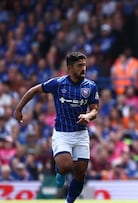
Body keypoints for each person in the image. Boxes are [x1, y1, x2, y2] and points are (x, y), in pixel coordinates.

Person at [14, 52, 99, 203]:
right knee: (66, 166)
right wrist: (19, 109)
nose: (84, 69)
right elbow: (34, 90)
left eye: (85, 65)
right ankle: (60, 172)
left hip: (81, 134)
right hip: (62, 133)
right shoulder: (58, 84)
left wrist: (88, 116)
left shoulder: (90, 86)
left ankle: (69, 201)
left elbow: (95, 110)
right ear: (70, 67)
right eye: (80, 66)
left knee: (80, 172)